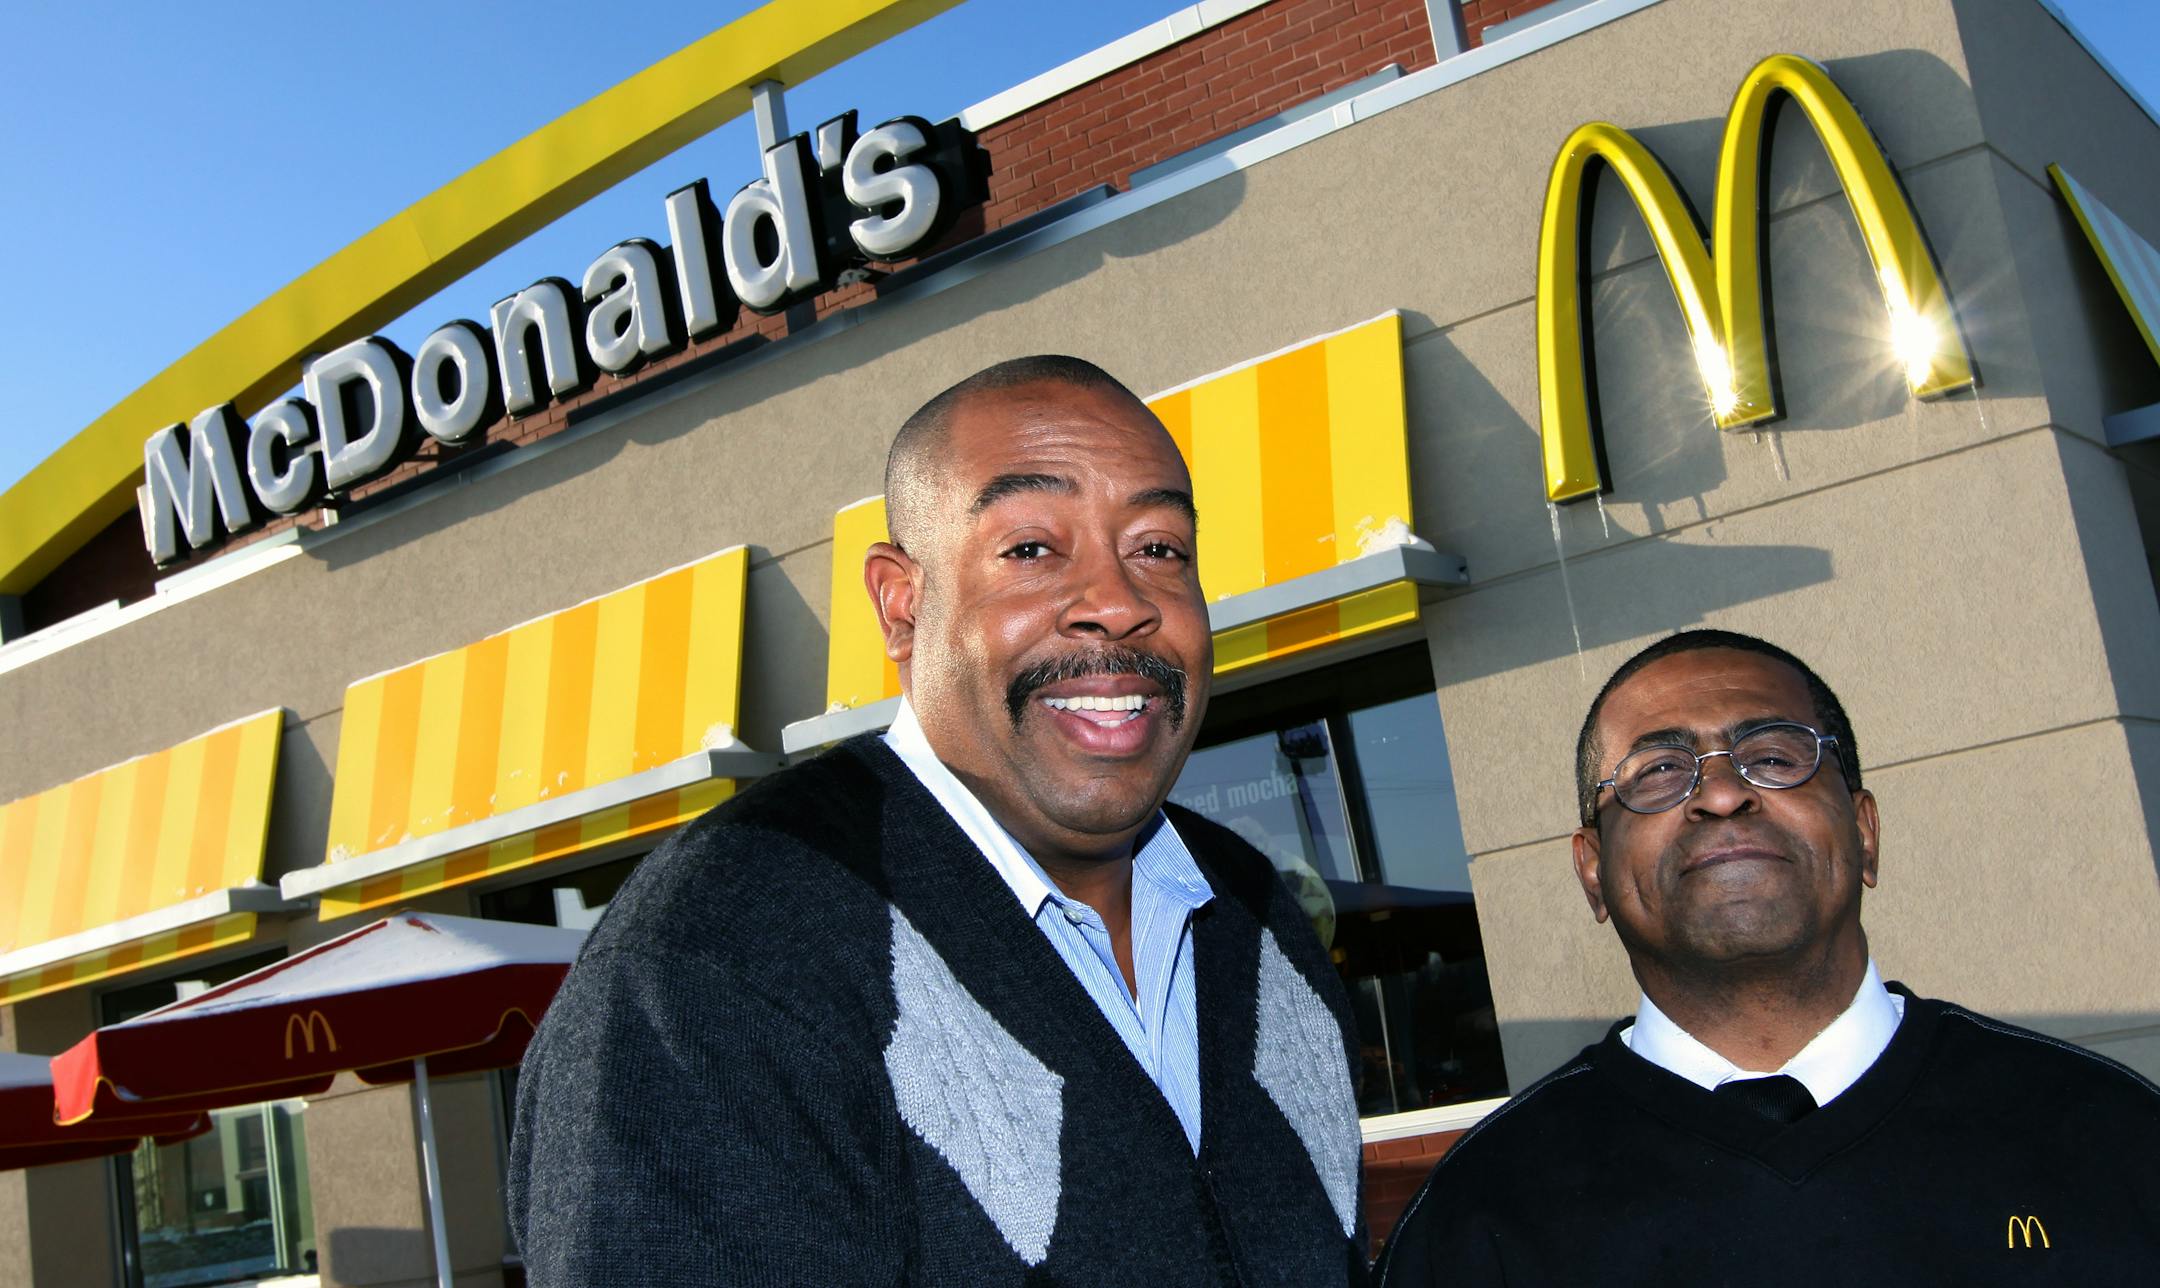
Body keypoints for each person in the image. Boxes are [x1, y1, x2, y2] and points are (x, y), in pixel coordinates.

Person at [509, 356, 1368, 1285]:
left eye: (1159, 548)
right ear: (901, 605)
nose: (1120, 604)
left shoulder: (1258, 918)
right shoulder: (717, 957)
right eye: (1032, 549)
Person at [1377, 629, 2160, 1286]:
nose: (1720, 794)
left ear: (1865, 833)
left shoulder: (2110, 1136)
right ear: (1593, 872)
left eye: (1776, 756)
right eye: (1658, 771)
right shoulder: (1477, 1221)